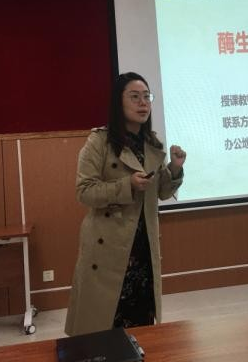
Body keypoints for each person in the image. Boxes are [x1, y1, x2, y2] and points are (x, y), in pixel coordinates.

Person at [64, 72, 186, 336]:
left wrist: (175, 169)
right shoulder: (100, 141)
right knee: (104, 328)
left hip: (143, 247)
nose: (143, 103)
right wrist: (126, 185)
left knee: (141, 325)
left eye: (147, 97)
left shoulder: (152, 143)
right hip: (108, 248)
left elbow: (161, 192)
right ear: (118, 102)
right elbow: (84, 192)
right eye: (134, 97)